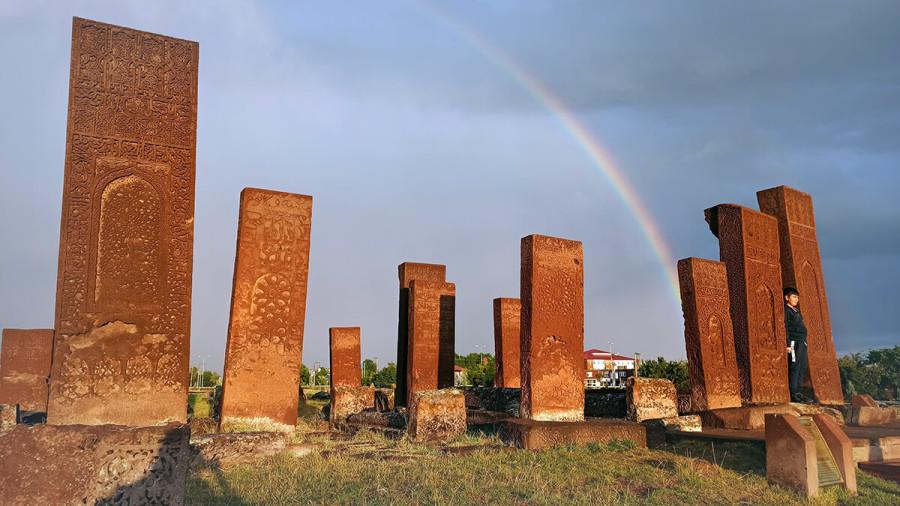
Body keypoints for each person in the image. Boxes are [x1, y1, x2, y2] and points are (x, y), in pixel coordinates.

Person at [783, 287, 809, 403]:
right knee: (794, 366)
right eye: (794, 296)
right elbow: (786, 328)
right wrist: (788, 344)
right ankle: (793, 393)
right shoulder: (786, 311)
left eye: (797, 297)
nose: (796, 299)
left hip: (801, 342)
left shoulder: (796, 311)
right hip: (793, 343)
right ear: (787, 298)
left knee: (802, 367)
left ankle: (799, 391)